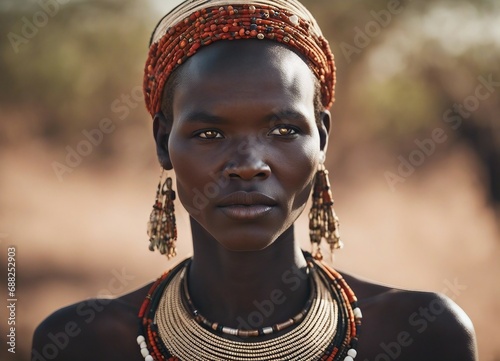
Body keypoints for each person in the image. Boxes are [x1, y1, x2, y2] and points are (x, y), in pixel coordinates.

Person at [32, 0, 478, 360]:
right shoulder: (83, 343)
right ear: (164, 141)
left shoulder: (422, 334)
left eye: (284, 131)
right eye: (209, 133)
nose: (248, 165)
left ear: (322, 138)